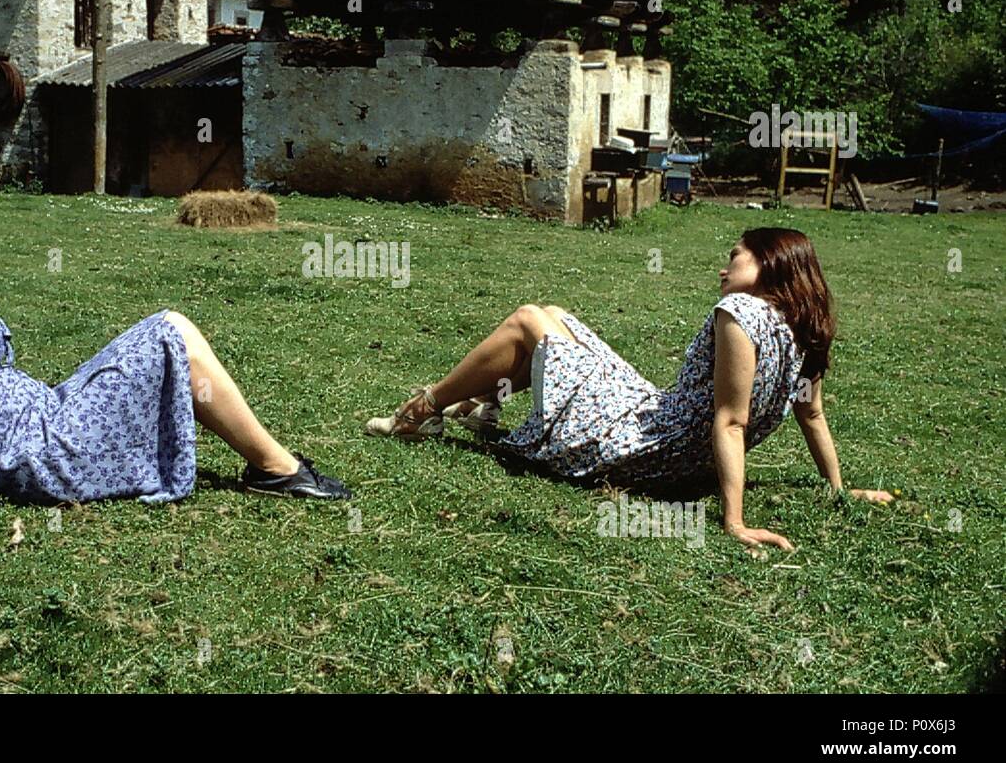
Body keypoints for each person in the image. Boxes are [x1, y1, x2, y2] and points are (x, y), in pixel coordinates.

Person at [0, 160, 350, 519]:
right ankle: (278, 470)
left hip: (42, 415)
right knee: (172, 332)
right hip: (28, 455)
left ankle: (274, 467)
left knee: (171, 331)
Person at [365, 227, 893, 550]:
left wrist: (734, 521)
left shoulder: (741, 313)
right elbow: (812, 415)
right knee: (556, 319)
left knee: (530, 318)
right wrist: (840, 488)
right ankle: (479, 404)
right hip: (665, 436)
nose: (723, 268)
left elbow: (730, 421)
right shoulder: (807, 330)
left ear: (768, 264)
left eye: (734, 257)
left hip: (641, 445)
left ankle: (423, 408)